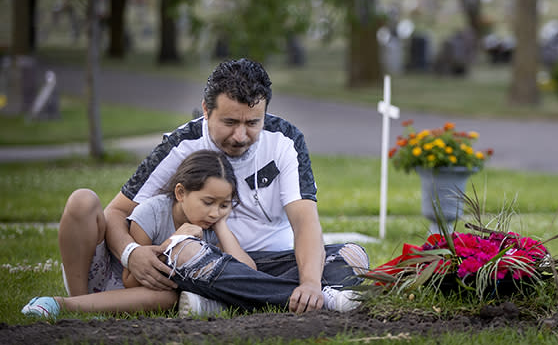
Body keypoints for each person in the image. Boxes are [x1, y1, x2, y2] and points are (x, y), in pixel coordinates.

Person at [56, 58, 368, 316]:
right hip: (205, 261)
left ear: (265, 112)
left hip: (274, 263)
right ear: (206, 110)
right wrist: (130, 253)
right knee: (185, 249)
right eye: (230, 122)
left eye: (253, 123)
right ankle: (312, 300)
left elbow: (305, 222)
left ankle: (221, 301)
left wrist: (311, 281)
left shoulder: (287, 140)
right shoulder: (182, 144)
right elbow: (117, 212)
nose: (241, 135)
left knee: (353, 257)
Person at [22, 150, 254, 317]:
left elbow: (248, 276)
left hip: (145, 296)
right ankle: (74, 303)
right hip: (104, 277)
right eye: (208, 202)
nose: (215, 212)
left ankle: (73, 308)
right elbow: (130, 279)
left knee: (168, 297)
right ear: (181, 193)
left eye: (224, 205)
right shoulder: (152, 212)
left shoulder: (212, 226)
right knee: (82, 199)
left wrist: (222, 227)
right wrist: (175, 240)